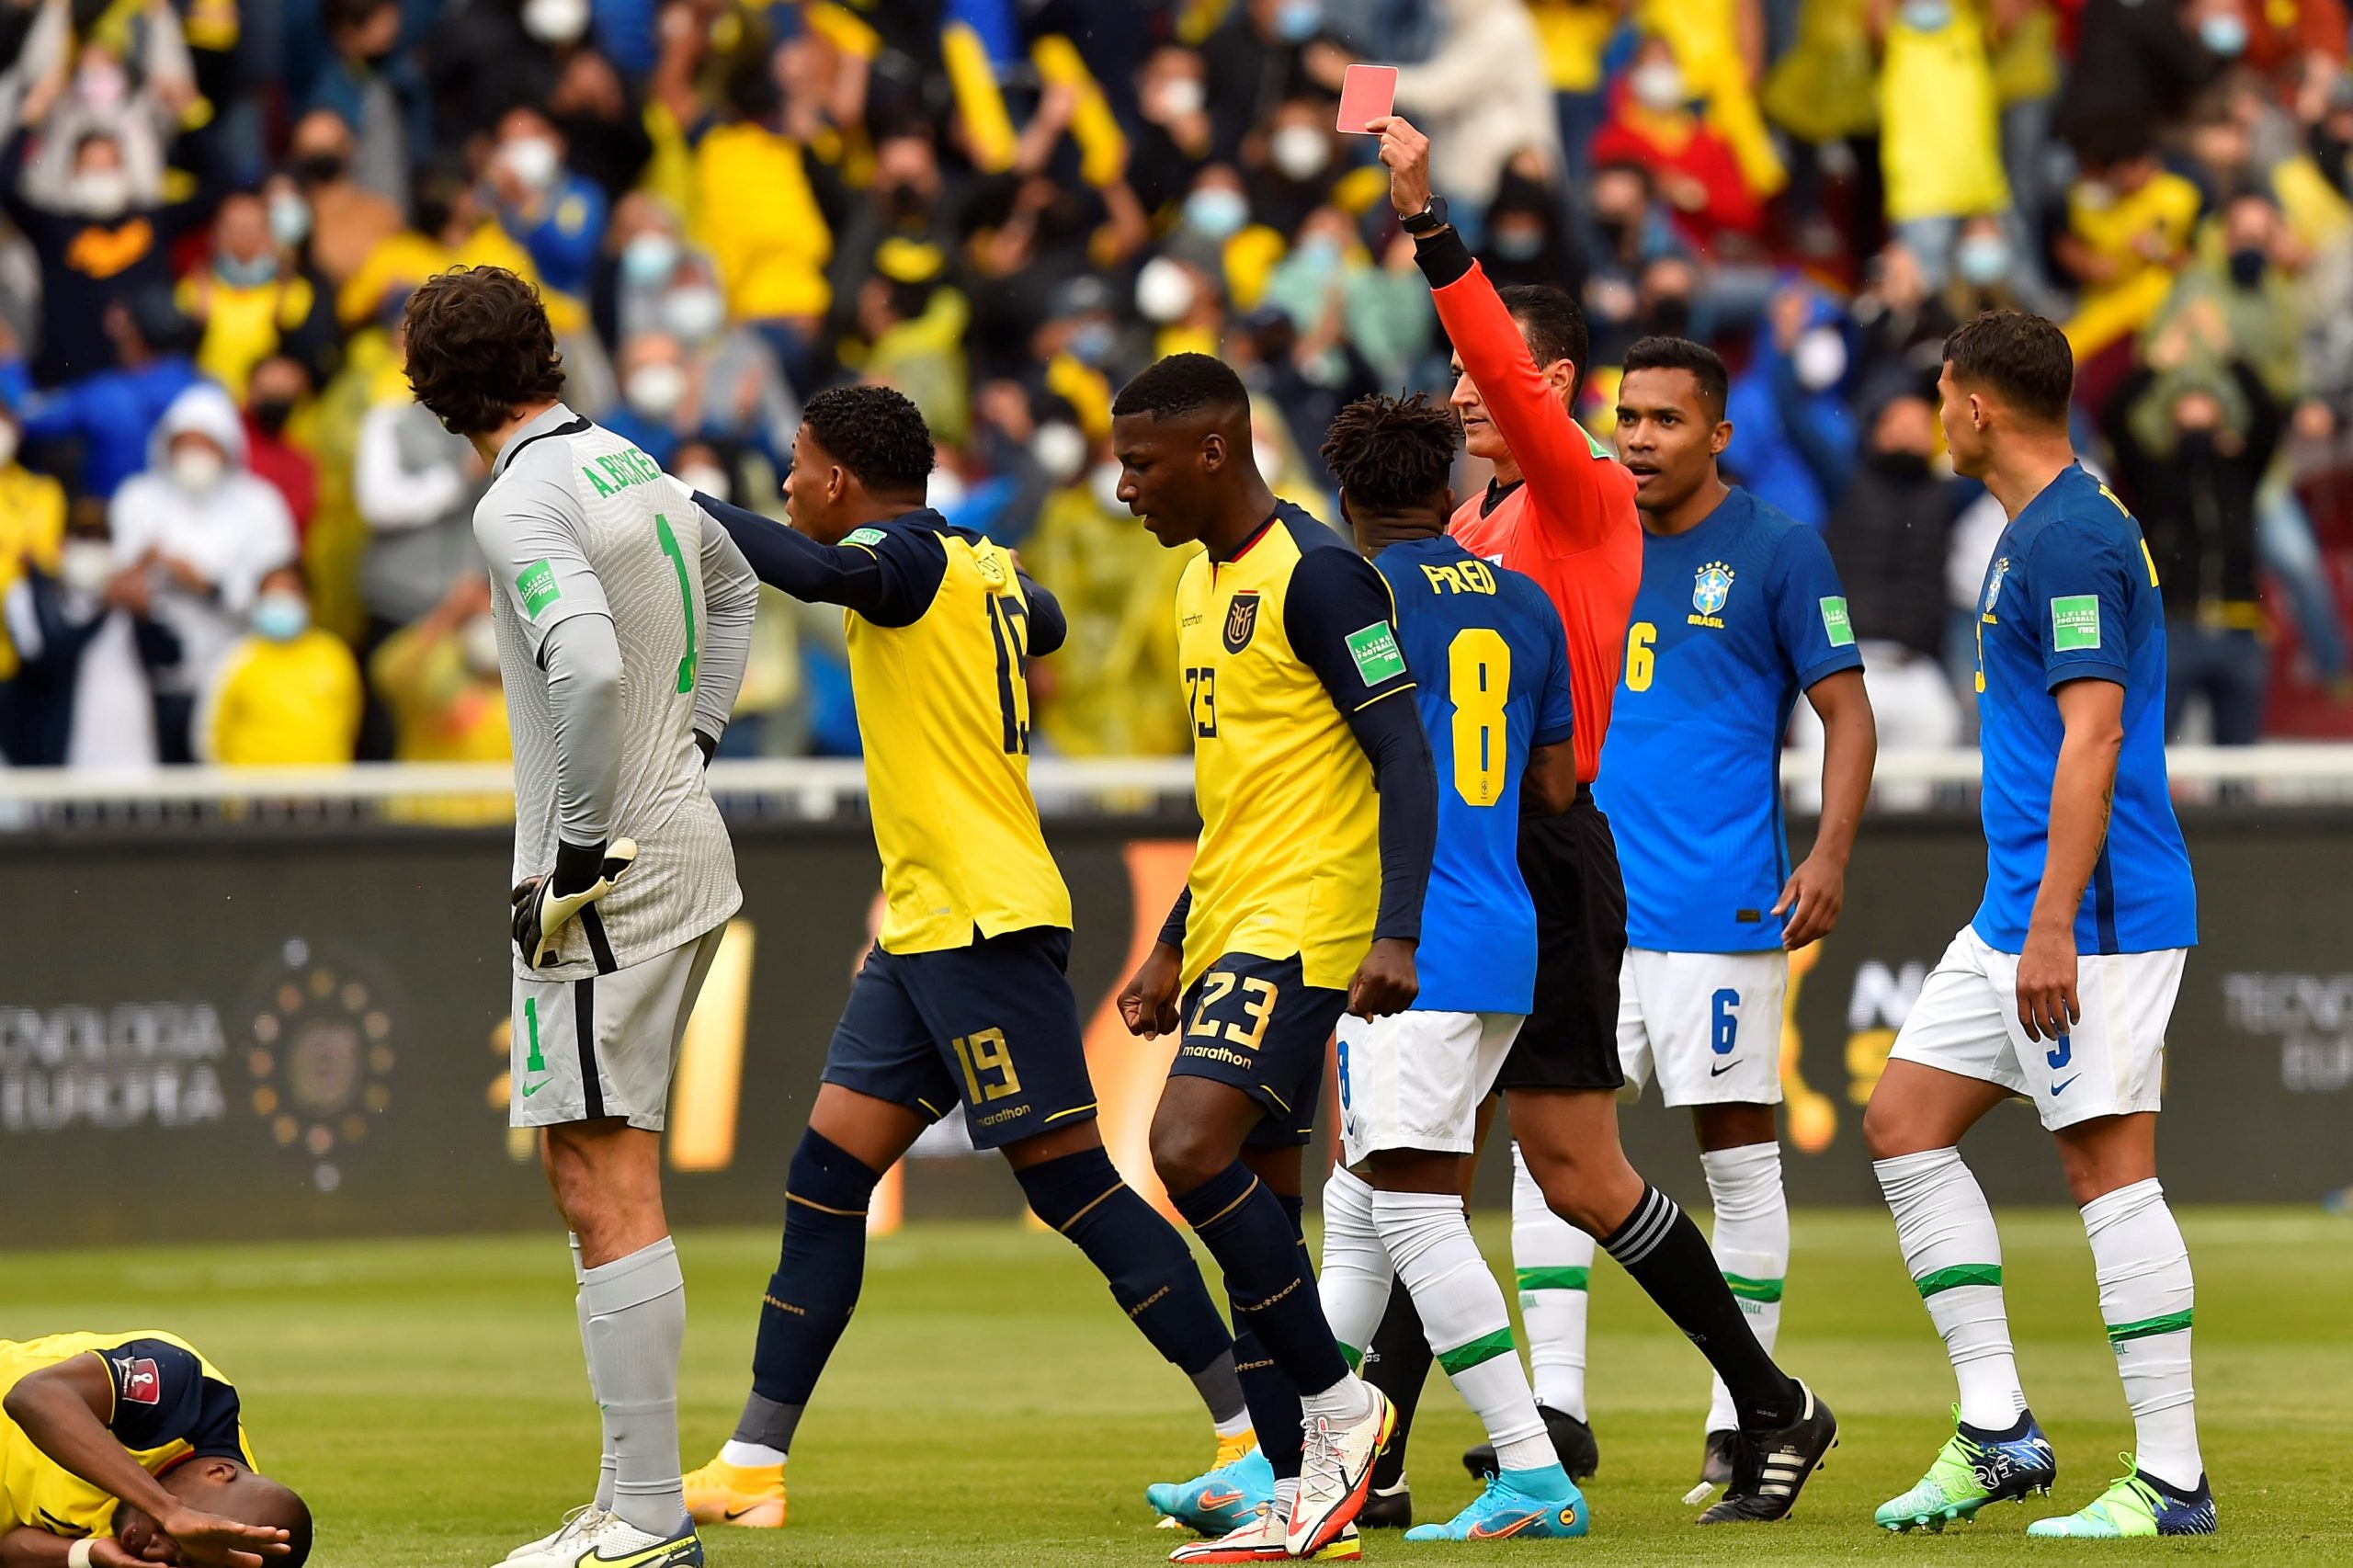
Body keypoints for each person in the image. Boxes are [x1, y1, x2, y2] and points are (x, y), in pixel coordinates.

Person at [1358, 113, 1836, 1527]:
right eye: (1453, 378)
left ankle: (1767, 1400)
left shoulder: (1576, 494)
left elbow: (1498, 357)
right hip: (1482, 858)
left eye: (1474, 375)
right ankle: (1375, 1453)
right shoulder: (1477, 533)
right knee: (1427, 1164)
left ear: (1544, 383)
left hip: (1549, 856)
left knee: (1556, 1172)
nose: (1458, 397)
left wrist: (1429, 224)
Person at [676, 384, 1254, 1534]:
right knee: (826, 1176)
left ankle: (1252, 1436)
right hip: (930, 927)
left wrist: (676, 504)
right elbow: (1042, 618)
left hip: (982, 924)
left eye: (795, 468)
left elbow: (833, 574)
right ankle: (751, 1462)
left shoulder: (892, 555)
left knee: (1076, 1187)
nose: (788, 489)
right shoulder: (973, 563)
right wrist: (973, 566)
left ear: (838, 480)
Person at [402, 264, 760, 1568]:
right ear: (546, 358)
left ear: (435, 391)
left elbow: (592, 663)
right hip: (681, 843)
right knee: (600, 1163)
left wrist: (578, 850)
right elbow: (733, 588)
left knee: (600, 1171)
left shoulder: (519, 502)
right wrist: (701, 735)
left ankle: (646, 1514)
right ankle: (634, 1500)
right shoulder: (630, 462)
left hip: (610, 876)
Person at [1498, 335, 1875, 1497]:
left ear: (1719, 432)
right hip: (1585, 911)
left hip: (1719, 909)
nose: (1641, 437)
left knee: (1738, 1166)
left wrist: (1827, 852)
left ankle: (1740, 1415)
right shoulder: (1578, 532)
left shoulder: (1775, 549)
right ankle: (1554, 1405)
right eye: (1628, 416)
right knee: (1546, 1156)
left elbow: (1848, 715)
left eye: (1667, 419)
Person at [1866, 310, 2213, 1539]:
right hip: (2021, 905)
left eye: (1944, 391)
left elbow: (2096, 732)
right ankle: (1999, 1425)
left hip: (2092, 911)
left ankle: (2172, 1477)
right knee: (1904, 1122)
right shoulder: (2048, 523)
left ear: (1973, 404)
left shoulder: (2068, 536)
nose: (1939, 411)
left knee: (2105, 1169)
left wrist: (2058, 917)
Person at [1110, 352, 1433, 1562]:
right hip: (1240, 912)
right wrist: (1171, 942)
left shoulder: (1321, 576)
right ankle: (1305, 1489)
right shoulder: (1204, 581)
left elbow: (1404, 754)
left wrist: (1397, 927)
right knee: (1264, 1197)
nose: (1123, 486)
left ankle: (1342, 1411)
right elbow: (1250, 794)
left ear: (1213, 451)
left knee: (1185, 1147)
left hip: (1309, 922)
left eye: (1140, 462)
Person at [1309, 390, 1591, 1544]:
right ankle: (1299, 1454)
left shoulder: (1352, 595)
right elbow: (1560, 787)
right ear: (1455, 491)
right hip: (1503, 930)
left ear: (1344, 498)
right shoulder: (1523, 601)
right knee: (1359, 1203)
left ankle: (1530, 1467)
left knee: (1417, 1213)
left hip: (1404, 938)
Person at [105, 382, 300, 763]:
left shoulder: (260, 504)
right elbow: (115, 580)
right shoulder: (137, 498)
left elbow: (280, 590)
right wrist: (143, 570)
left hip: (233, 672)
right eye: (185, 443)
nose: (195, 454)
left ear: (227, 447)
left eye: (206, 444)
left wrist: (206, 584)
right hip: (148, 677)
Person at [0, 1329, 309, 1567]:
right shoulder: (183, 1395)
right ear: (217, 1473)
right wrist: (167, 1510)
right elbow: (33, 1397)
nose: (154, 1551)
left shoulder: (144, 1527)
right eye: (177, 1540)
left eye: (176, 1563)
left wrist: (87, 1554)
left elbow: (10, 1550)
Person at [192, 563, 363, 766]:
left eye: (289, 592)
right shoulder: (237, 658)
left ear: (308, 601)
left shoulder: (333, 655)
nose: (280, 601)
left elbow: (350, 722)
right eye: (272, 594)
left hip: (323, 792)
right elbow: (209, 735)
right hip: (253, 792)